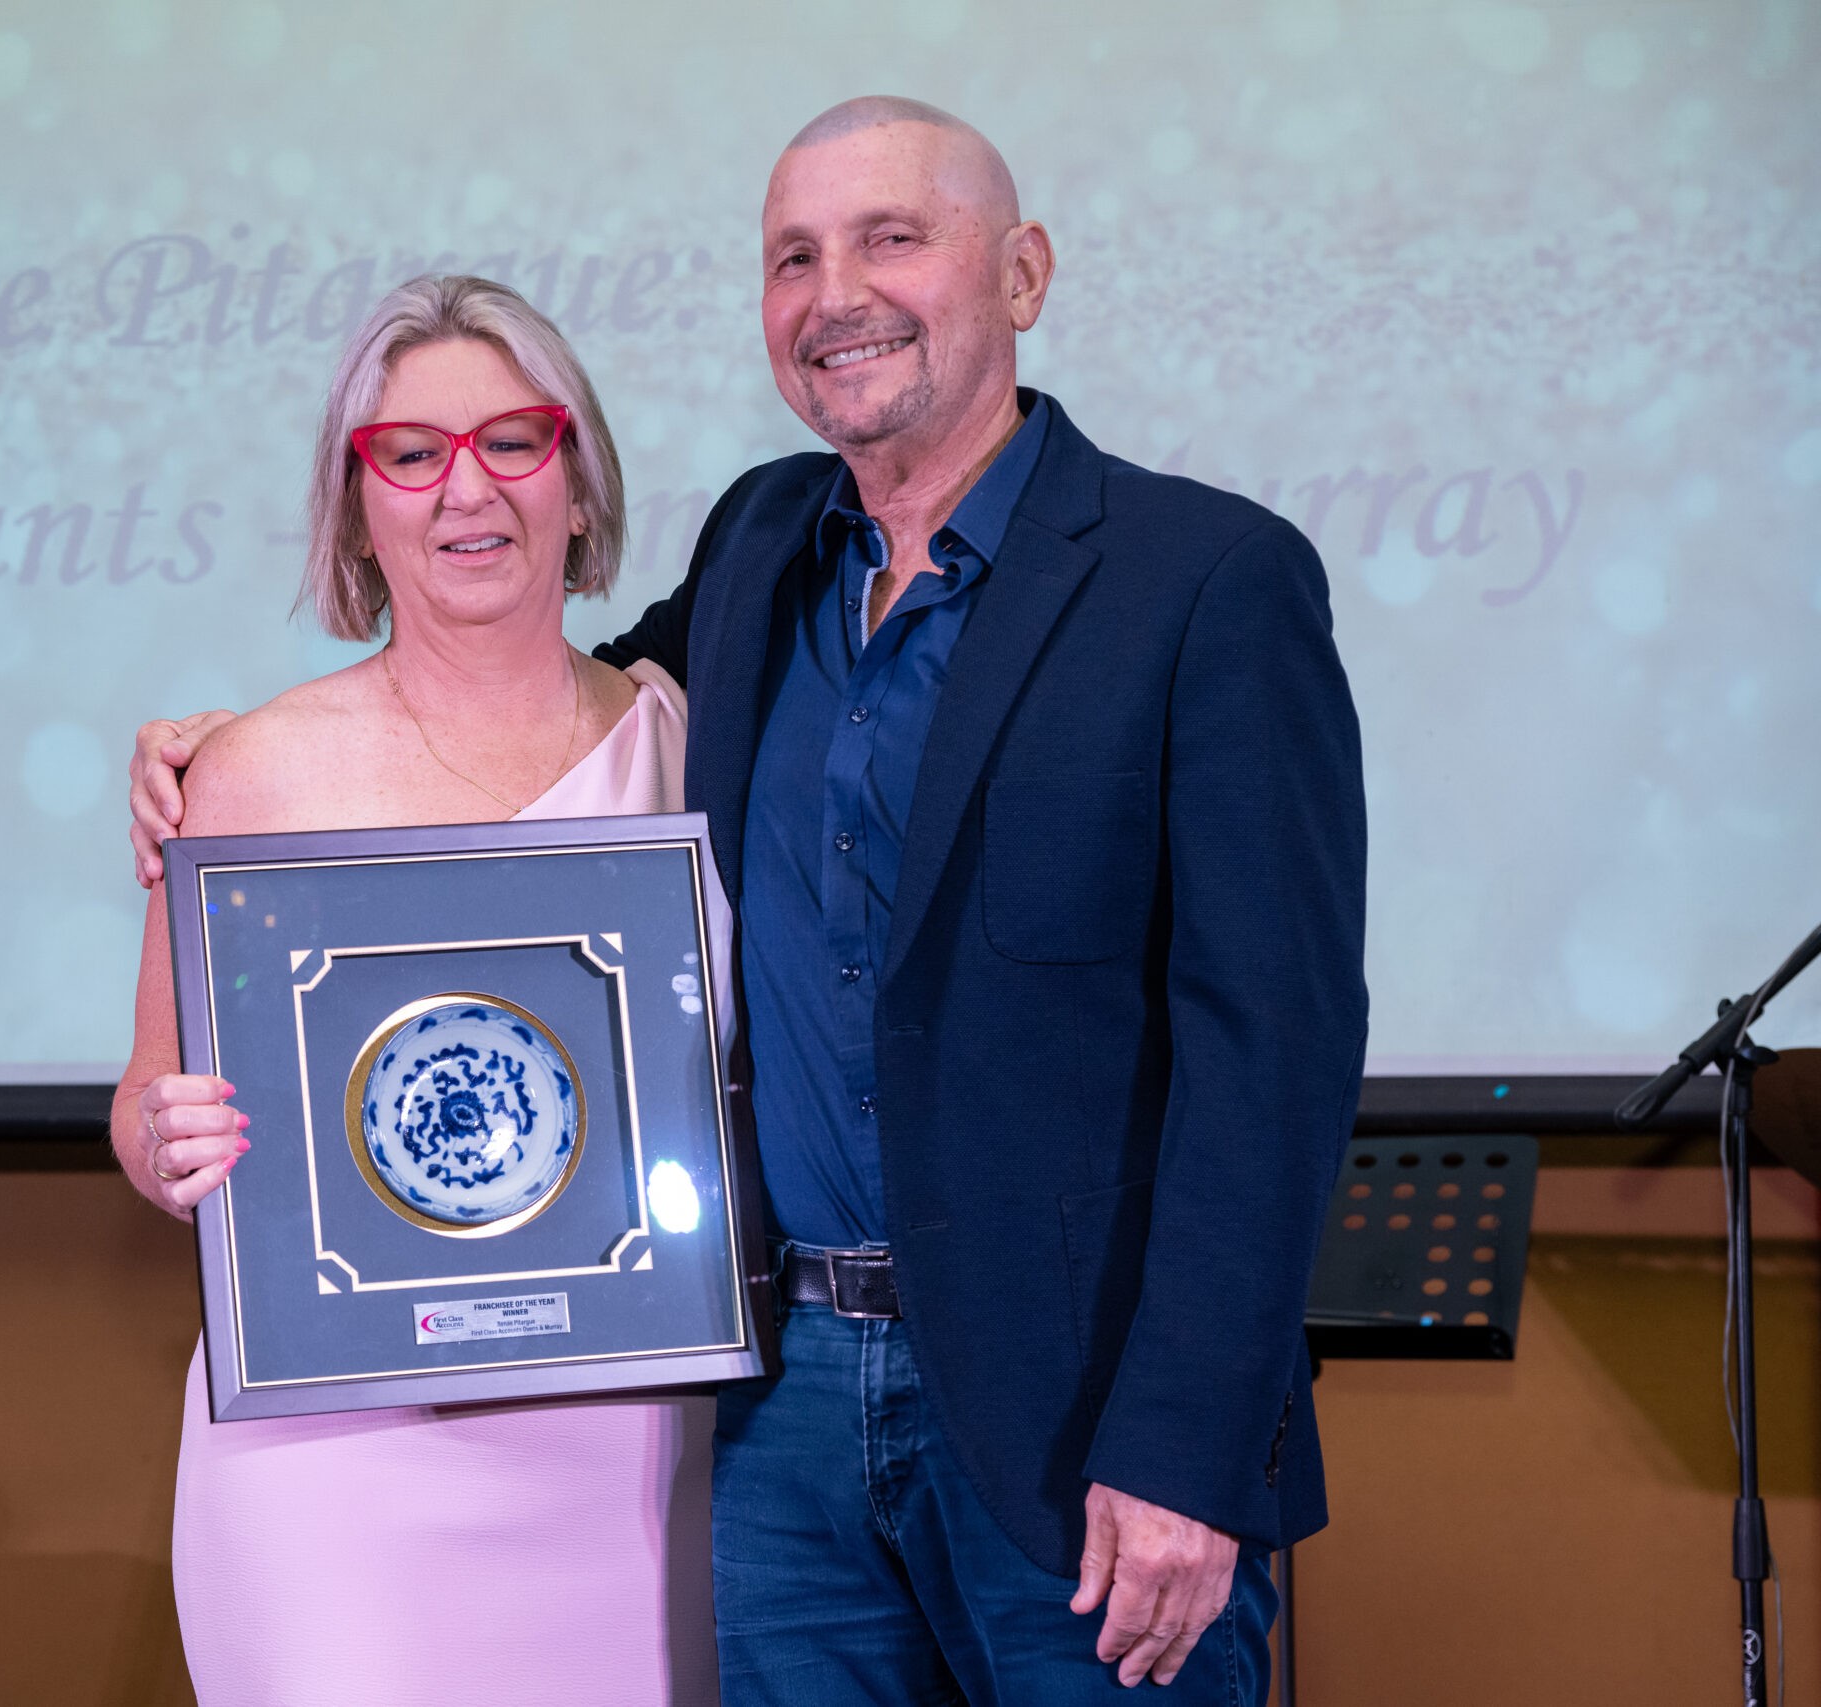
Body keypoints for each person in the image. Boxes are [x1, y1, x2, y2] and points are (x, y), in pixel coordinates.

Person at [131, 98, 1366, 1705]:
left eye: (890, 238)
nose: (835, 289)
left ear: (1025, 272)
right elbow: (516, 696)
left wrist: (1193, 1448)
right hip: (778, 1424)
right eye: (794, 256)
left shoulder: (1206, 581)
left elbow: (1271, 1055)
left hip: (1077, 1431)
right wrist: (214, 749)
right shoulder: (763, 550)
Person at [108, 273, 723, 1707]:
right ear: (356, 508)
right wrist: (166, 1141)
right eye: (411, 453)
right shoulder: (251, 771)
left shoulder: (694, 746)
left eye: (515, 440)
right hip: (339, 1463)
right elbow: (144, 1102)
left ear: (579, 485)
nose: (469, 490)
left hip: (631, 1454)